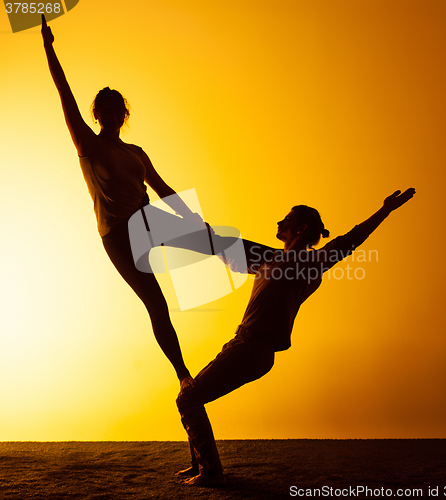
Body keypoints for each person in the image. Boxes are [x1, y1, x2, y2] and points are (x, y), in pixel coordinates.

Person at [176, 188, 416, 486]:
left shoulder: (312, 263)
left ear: (301, 229)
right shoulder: (269, 257)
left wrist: (384, 211)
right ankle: (201, 464)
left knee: (188, 399)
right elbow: (221, 245)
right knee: (192, 397)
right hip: (243, 344)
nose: (279, 222)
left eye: (286, 219)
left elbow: (349, 241)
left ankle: (212, 472)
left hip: (254, 348)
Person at [41, 15, 195, 392]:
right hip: (119, 233)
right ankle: (184, 376)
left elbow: (161, 187)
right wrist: (49, 48)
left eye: (116, 110)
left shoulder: (137, 152)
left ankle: (275, 260)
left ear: (123, 115)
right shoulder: (89, 146)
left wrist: (191, 219)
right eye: (103, 110)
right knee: (157, 303)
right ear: (96, 114)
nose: (109, 115)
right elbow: (64, 93)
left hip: (146, 220)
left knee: (216, 241)